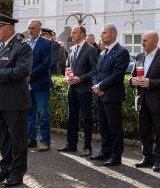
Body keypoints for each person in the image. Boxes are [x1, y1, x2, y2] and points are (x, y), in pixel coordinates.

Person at [0, 13, 32, 187]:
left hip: (14, 101)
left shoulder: (22, 47)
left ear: (10, 28)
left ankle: (17, 173)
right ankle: (6, 168)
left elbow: (23, 70)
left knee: (17, 140)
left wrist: (0, 74)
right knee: (3, 138)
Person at [90, 24, 129, 166]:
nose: (101, 35)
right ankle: (105, 151)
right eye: (101, 33)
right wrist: (96, 86)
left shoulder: (121, 52)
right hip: (100, 95)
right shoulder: (101, 52)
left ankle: (116, 155)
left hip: (112, 96)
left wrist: (100, 86)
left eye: (104, 33)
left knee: (114, 127)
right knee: (103, 126)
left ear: (113, 35)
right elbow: (95, 72)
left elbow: (117, 75)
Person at [57, 25, 97, 157]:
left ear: (82, 34)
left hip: (84, 89)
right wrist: (68, 77)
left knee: (87, 119)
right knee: (71, 118)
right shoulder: (72, 49)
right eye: (72, 33)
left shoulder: (90, 49)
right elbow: (68, 66)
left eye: (74, 33)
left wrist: (81, 78)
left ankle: (87, 147)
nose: (72, 35)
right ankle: (71, 144)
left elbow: (94, 70)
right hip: (72, 89)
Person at [130, 31, 160, 172]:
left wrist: (150, 83)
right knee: (144, 131)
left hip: (157, 102)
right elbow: (132, 77)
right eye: (142, 40)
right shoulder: (139, 56)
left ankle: (158, 159)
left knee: (159, 132)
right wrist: (133, 80)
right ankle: (147, 156)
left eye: (145, 40)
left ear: (155, 41)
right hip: (142, 101)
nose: (142, 43)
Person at [26, 20, 53, 151]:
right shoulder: (25, 43)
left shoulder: (47, 43)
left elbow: (46, 63)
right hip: (26, 85)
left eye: (33, 28)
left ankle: (45, 141)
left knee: (43, 114)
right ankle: (31, 139)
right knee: (29, 113)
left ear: (39, 30)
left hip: (40, 83)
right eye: (29, 28)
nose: (30, 30)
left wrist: (31, 75)